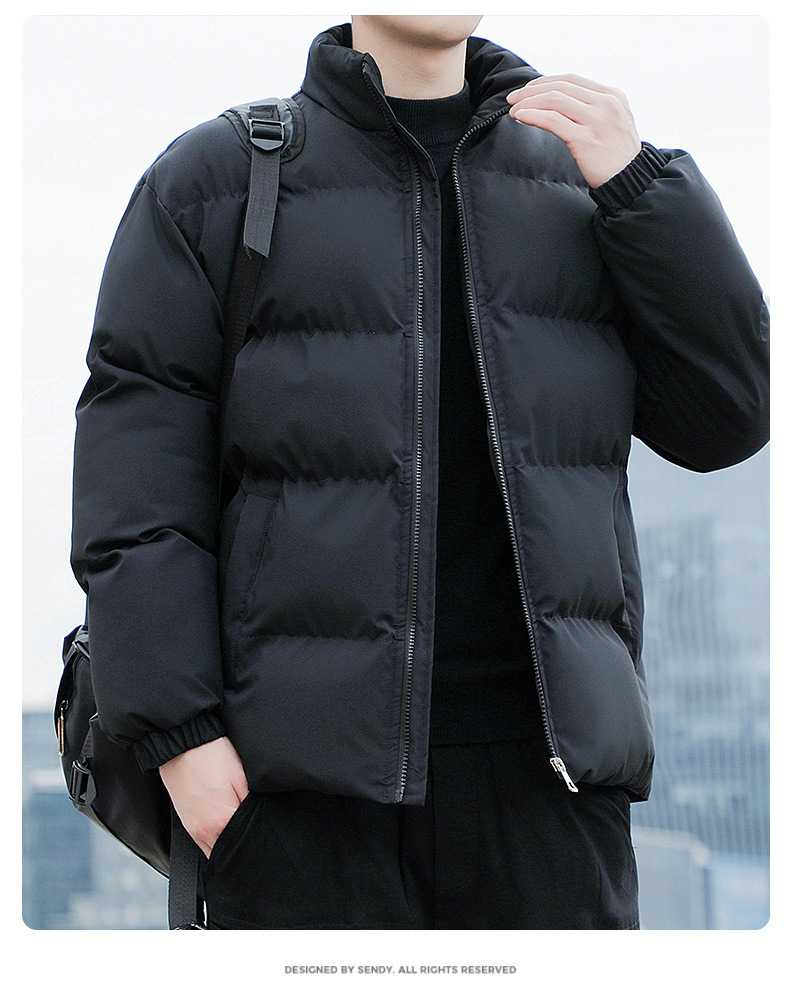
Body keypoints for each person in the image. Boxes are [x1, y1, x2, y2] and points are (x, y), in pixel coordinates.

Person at [70, 16, 769, 929]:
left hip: (550, 805)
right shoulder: (216, 181)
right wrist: (183, 741)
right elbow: (135, 489)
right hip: (295, 805)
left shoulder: (584, 181)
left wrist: (644, 189)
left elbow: (727, 418)